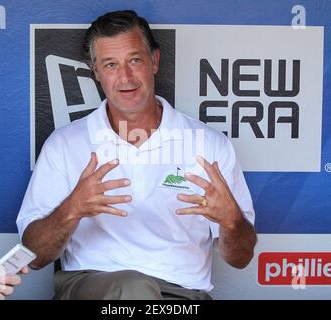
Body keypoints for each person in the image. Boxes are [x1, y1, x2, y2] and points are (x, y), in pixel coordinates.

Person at [17, 10, 257, 300]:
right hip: (91, 287)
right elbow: (33, 256)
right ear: (95, 72)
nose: (125, 77)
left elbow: (241, 258)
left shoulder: (208, 145)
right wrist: (73, 208)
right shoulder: (65, 144)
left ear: (153, 61)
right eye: (110, 64)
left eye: (134, 60)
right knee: (134, 290)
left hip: (183, 298)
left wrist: (232, 222)